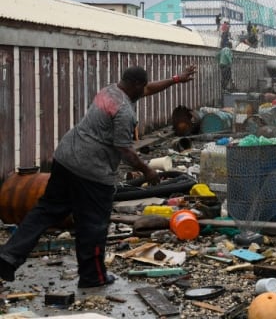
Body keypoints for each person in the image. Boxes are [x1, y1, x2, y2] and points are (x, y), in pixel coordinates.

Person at [0, 64, 197, 288]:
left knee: (45, 210)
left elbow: (148, 89)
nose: (144, 91)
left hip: (65, 158)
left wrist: (176, 80)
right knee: (93, 224)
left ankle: (8, 256)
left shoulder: (110, 90)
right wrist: (148, 171)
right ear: (135, 85)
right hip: (90, 172)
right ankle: (93, 277)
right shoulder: (124, 111)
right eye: (142, 87)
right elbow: (125, 150)